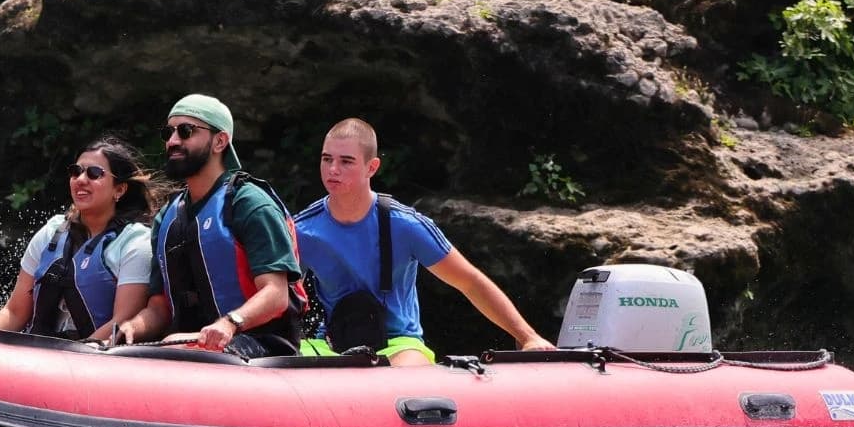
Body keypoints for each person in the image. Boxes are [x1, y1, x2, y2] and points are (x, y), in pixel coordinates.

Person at [294, 118, 556, 365]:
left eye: (346, 161)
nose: (333, 169)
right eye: (326, 159)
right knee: (291, 358)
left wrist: (528, 337)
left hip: (398, 345)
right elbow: (278, 290)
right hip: (329, 345)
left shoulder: (406, 225)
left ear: (371, 167)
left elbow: (470, 282)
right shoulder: (301, 229)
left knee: (407, 370)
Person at [116, 94, 306, 358]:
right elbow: (159, 308)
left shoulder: (249, 203)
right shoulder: (166, 217)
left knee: (176, 348)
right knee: (133, 351)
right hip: (186, 344)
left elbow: (276, 294)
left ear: (220, 141)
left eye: (186, 131)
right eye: (168, 133)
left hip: (264, 345)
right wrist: (133, 327)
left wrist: (229, 323)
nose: (173, 141)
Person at [0, 136, 160, 342]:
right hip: (39, 353)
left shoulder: (135, 242)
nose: (80, 179)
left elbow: (121, 321)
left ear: (119, 189)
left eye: (94, 173)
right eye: (76, 171)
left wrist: (73, 357)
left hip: (94, 355)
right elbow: (15, 311)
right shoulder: (51, 231)